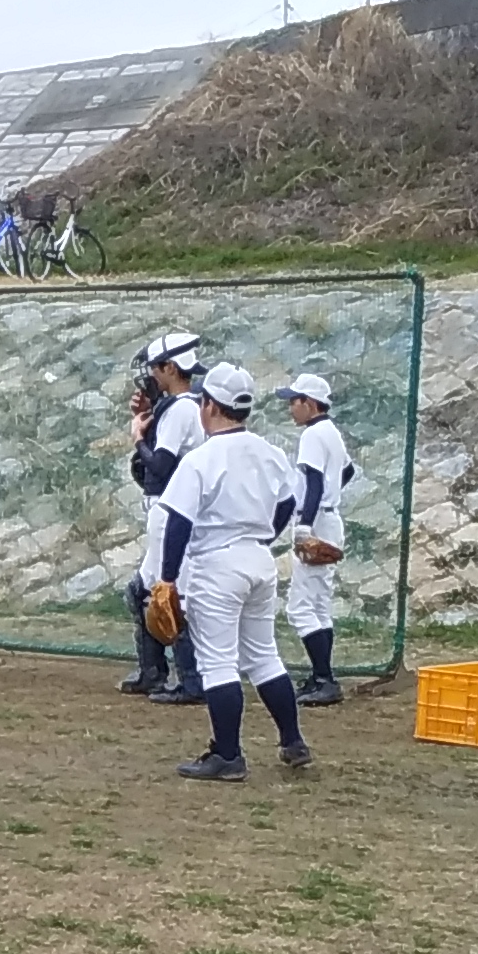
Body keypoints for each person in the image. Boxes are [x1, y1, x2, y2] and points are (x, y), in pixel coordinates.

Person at [152, 363, 312, 781]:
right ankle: (293, 740)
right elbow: (286, 503)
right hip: (259, 559)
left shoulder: (201, 459)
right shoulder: (269, 451)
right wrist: (265, 535)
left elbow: (179, 521)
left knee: (218, 662)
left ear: (209, 405)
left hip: (218, 564)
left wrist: (167, 579)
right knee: (263, 655)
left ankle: (228, 755)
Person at [122, 333, 208, 705]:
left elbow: (160, 464)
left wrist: (138, 438)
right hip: (170, 507)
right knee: (141, 592)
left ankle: (191, 680)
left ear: (171, 368)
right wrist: (151, 413)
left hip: (171, 509)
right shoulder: (185, 405)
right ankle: (154, 672)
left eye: (157, 368)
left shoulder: (181, 409)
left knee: (168, 595)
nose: (152, 376)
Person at [276, 373, 353, 707]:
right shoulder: (331, 432)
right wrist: (329, 499)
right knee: (319, 603)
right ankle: (323, 675)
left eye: (294, 401)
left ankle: (324, 679)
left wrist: (305, 525)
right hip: (330, 517)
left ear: (309, 403)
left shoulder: (312, 434)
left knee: (301, 608)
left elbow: (315, 482)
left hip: (318, 519)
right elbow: (347, 471)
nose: (291, 407)